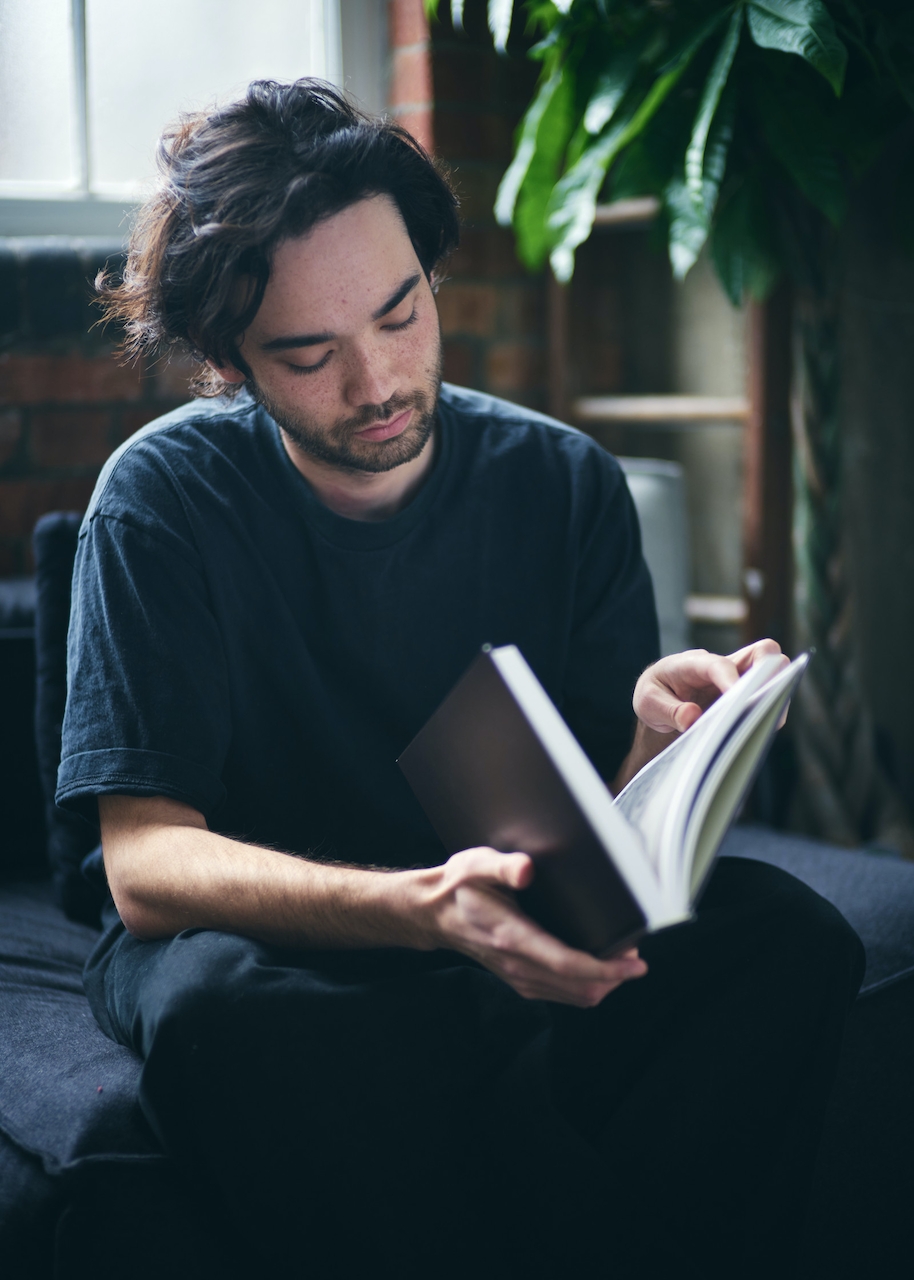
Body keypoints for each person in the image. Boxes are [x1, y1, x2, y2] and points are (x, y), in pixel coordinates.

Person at [58, 80, 862, 1279]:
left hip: (501, 924)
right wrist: (420, 904)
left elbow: (594, 846)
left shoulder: (564, 483)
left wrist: (653, 747)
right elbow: (147, 862)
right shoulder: (161, 500)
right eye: (309, 353)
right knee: (221, 1013)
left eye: (399, 314)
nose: (376, 381)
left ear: (431, 274)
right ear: (230, 360)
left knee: (786, 936)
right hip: (275, 944)